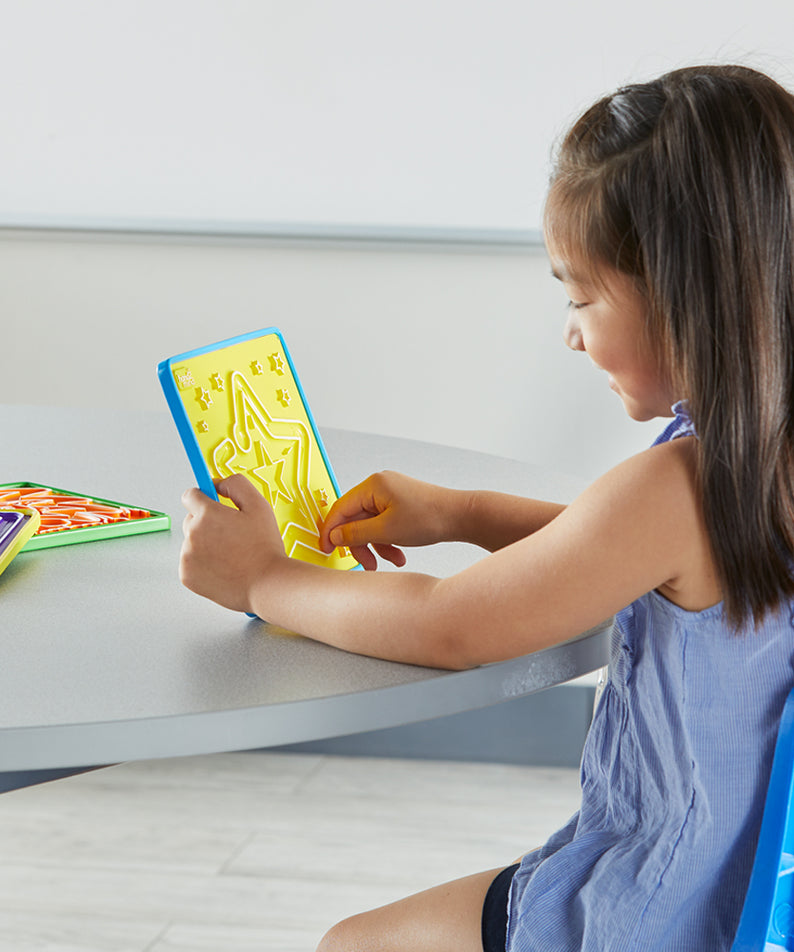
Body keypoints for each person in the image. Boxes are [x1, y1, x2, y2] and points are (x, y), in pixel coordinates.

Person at [179, 64, 794, 950]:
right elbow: (641, 567)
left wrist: (262, 578)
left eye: (581, 295)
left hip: (652, 908)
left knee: (352, 943)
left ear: (683, 293)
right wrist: (462, 512)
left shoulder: (681, 485)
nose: (571, 332)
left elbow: (452, 627)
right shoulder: (757, 468)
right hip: (750, 905)